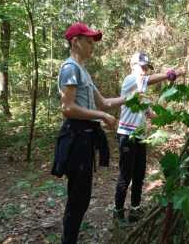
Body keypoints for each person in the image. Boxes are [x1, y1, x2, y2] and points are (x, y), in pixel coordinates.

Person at [51, 22, 126, 244]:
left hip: (85, 138)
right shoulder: (70, 68)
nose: (93, 45)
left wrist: (130, 97)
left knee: (81, 196)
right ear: (76, 42)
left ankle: (70, 238)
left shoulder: (83, 71)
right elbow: (67, 108)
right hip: (76, 138)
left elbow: (103, 102)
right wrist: (101, 116)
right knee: (78, 198)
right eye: (89, 41)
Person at [114, 52, 185, 223]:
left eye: (146, 68)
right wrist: (171, 74)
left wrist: (168, 120)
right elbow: (149, 80)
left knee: (139, 174)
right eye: (142, 67)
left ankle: (135, 209)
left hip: (140, 137)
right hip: (127, 135)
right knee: (126, 174)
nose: (145, 71)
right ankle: (118, 211)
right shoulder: (130, 80)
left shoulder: (140, 92)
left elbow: (149, 112)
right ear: (133, 66)